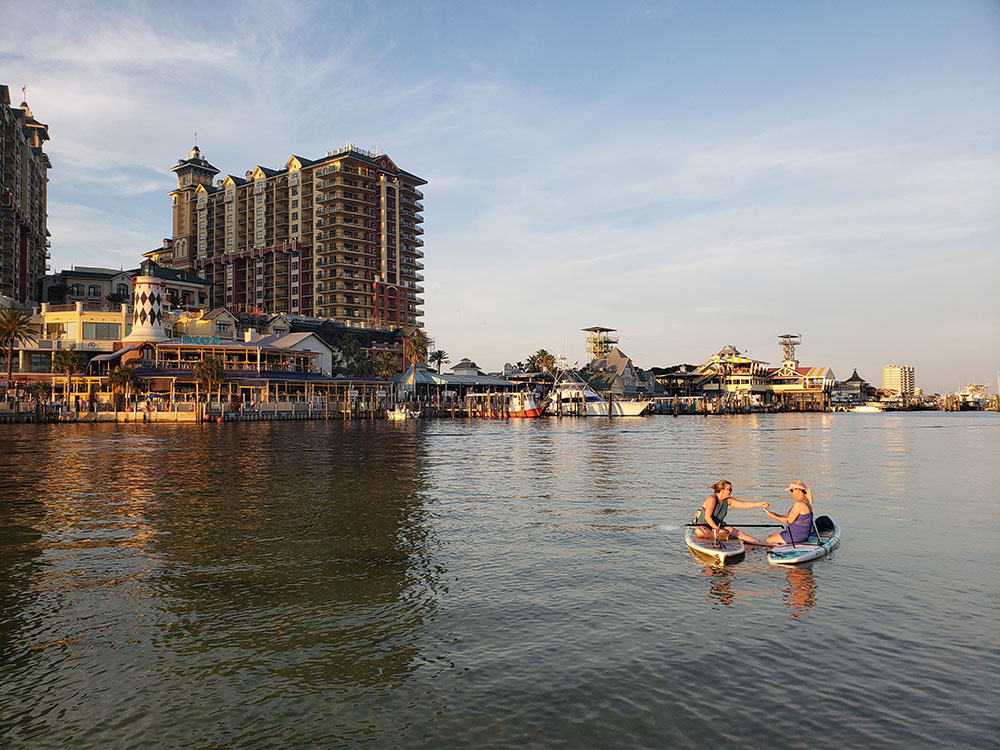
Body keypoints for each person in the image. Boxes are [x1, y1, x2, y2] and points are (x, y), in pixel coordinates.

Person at [692, 480, 770, 544]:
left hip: (718, 526)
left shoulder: (728, 500)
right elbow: (707, 517)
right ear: (722, 490)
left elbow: (744, 504)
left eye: (731, 489)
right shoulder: (712, 499)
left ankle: (761, 544)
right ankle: (724, 536)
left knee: (739, 533)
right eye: (729, 489)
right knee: (700, 532)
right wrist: (718, 530)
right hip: (704, 526)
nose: (731, 491)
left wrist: (760, 504)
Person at [764, 480, 815, 545]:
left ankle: (777, 550)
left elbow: (789, 521)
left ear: (798, 490)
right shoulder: (806, 501)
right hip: (799, 534)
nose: (791, 493)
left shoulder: (799, 504)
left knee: (768, 540)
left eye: (791, 491)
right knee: (771, 536)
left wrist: (773, 517)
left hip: (796, 536)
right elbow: (793, 516)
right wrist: (776, 514)